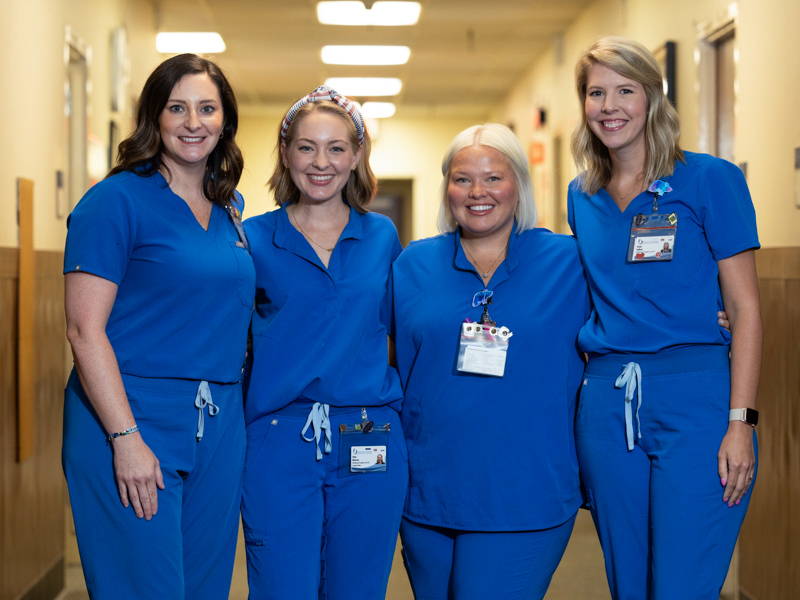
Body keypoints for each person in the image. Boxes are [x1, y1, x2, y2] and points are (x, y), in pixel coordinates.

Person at [568, 37, 761, 600]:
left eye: (625, 90)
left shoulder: (710, 179)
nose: (610, 105)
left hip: (697, 403)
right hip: (607, 403)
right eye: (596, 92)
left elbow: (747, 308)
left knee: (682, 585)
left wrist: (741, 421)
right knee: (628, 585)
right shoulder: (582, 196)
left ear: (653, 97)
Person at [62, 54, 253, 599]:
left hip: (216, 425)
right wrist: (124, 438)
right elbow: (83, 330)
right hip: (130, 418)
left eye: (207, 108)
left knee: (204, 589)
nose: (194, 122)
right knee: (144, 589)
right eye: (178, 108)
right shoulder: (113, 202)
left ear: (225, 121)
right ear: (154, 116)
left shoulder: (229, 206)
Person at [391, 123, 590, 600]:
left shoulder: (570, 262)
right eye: (462, 179)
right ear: (447, 190)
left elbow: (638, 306)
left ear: (519, 184)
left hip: (525, 491)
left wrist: (714, 315)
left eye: (493, 178)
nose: (477, 192)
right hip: (425, 492)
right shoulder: (412, 265)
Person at [241, 86, 408, 599]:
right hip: (280, 438)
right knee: (281, 588)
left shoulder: (381, 236)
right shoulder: (252, 238)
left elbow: (403, 331)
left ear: (356, 156)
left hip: (369, 433)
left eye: (336, 148)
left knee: (357, 589)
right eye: (307, 146)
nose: (321, 162)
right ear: (286, 153)